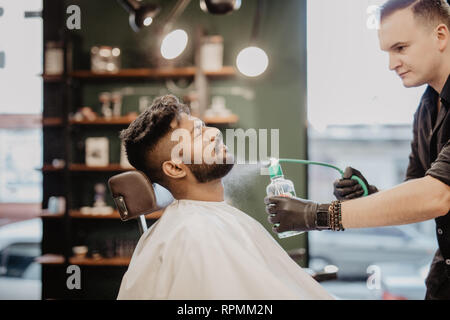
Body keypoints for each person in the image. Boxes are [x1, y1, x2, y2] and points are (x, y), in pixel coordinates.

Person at [265, 0, 450, 300]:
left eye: (401, 48)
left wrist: (316, 215)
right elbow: (416, 196)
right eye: (387, 51)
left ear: (440, 35)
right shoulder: (427, 108)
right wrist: (370, 197)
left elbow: (437, 196)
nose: (391, 64)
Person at [116, 94, 332, 300]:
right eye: (196, 135)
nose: (214, 133)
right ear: (174, 167)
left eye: (202, 126)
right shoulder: (195, 234)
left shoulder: (202, 221)